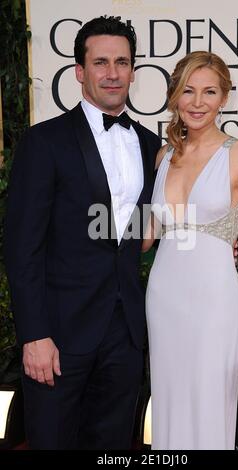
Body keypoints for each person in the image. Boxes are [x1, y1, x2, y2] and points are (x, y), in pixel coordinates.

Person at [4, 16, 161, 450]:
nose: (113, 73)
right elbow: (22, 249)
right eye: (101, 62)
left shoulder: (151, 145)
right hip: (58, 334)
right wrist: (34, 334)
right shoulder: (44, 142)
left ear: (133, 70)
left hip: (126, 335)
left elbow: (146, 228)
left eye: (122, 62)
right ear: (80, 71)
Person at [142, 51, 238, 450]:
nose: (197, 102)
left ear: (224, 98)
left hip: (215, 300)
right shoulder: (164, 155)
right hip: (164, 298)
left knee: (211, 405)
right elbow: (147, 235)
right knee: (168, 402)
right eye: (188, 91)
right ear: (175, 96)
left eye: (209, 92)